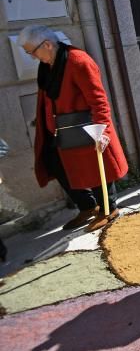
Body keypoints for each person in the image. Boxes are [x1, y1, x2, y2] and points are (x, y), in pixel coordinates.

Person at [19, 26, 128, 231]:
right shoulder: (47, 64)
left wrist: (102, 131)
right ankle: (87, 206)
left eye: (32, 52)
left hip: (83, 125)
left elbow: (98, 99)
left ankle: (109, 209)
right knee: (55, 164)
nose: (32, 57)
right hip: (58, 128)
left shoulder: (78, 61)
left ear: (48, 45)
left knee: (95, 165)